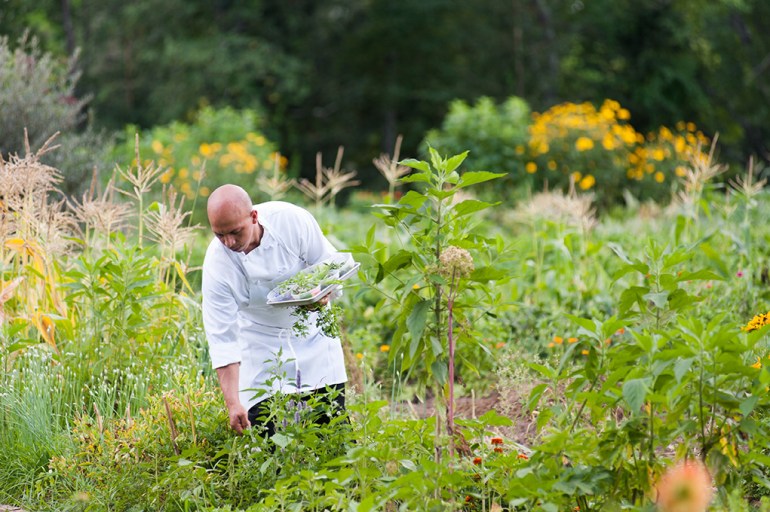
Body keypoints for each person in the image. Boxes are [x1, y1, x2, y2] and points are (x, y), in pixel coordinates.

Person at [202, 184, 351, 435]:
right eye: (220, 235)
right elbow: (222, 337)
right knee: (268, 437)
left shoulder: (291, 221)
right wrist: (233, 402)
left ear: (253, 217)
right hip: (260, 346)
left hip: (313, 334)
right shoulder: (218, 264)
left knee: (332, 434)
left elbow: (330, 264)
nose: (228, 242)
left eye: (235, 232)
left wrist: (323, 293)